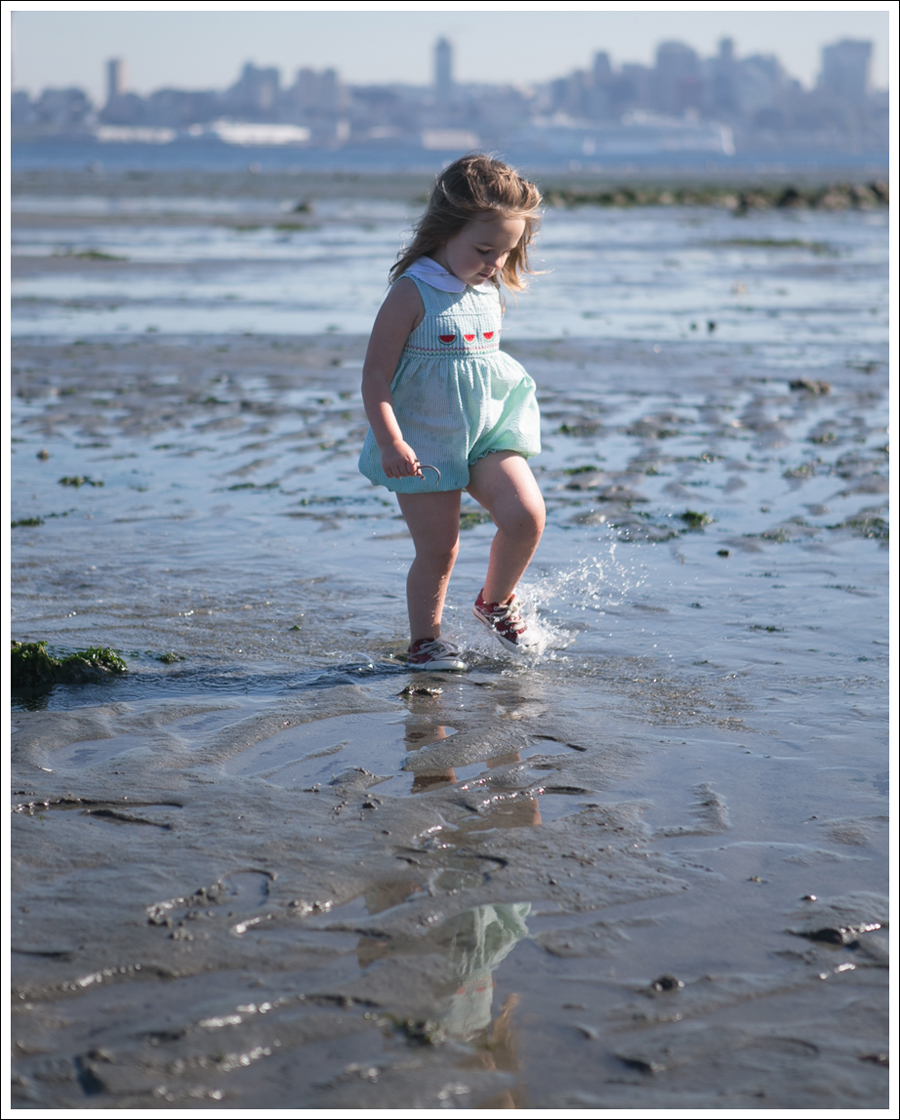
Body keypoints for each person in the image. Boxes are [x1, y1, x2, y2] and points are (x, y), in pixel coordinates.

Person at [359, 154, 545, 671]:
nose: (494, 264)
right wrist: (393, 441)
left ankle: (496, 602)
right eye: (484, 249)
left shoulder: (487, 286)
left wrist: (491, 264)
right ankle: (427, 642)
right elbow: (375, 377)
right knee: (440, 550)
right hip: (424, 439)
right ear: (445, 230)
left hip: (486, 428)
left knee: (526, 516)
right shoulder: (411, 291)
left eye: (505, 252)